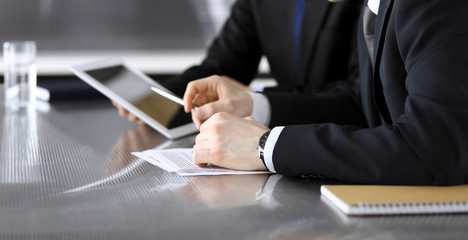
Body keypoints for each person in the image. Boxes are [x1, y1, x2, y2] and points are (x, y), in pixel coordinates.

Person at [183, 0, 468, 185]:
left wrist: (265, 146)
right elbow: (361, 107)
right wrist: (254, 106)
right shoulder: (375, 9)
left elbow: (434, 145)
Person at [114, 0, 363, 124]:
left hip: (347, 135)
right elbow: (220, 68)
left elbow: (358, 95)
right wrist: (157, 94)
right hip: (283, 137)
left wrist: (255, 97)